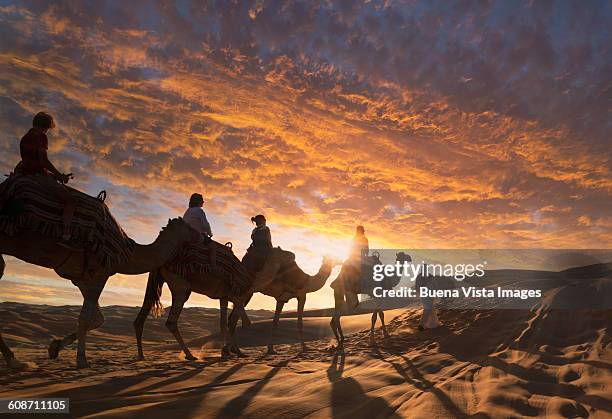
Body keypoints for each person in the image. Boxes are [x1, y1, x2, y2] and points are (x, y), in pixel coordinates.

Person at [15, 112, 75, 243]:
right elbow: (43, 162)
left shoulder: (25, 137)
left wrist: (55, 176)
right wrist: (59, 175)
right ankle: (66, 235)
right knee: (69, 200)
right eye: (48, 128)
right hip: (37, 175)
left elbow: (33, 162)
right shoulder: (40, 137)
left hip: (27, 172)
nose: (48, 131)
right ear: (45, 126)